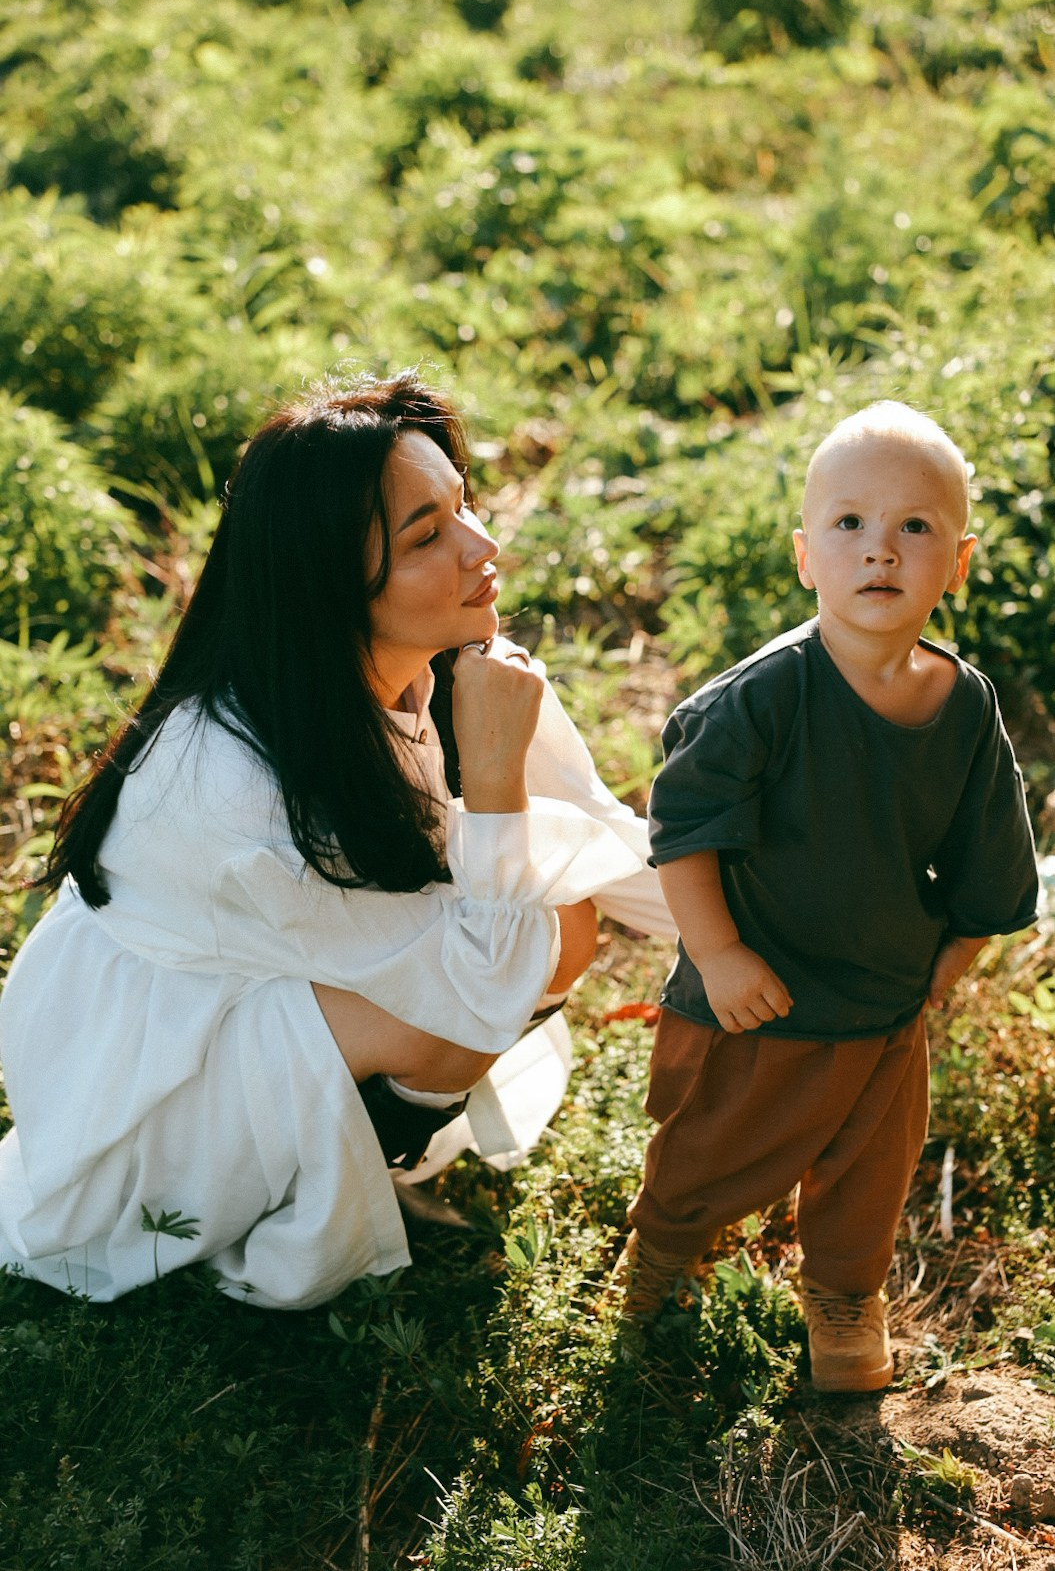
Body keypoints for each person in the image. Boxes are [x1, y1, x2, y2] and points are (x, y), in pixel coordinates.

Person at [0, 369, 675, 1309]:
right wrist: (493, 781)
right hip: (143, 1086)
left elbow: (606, 835)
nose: (483, 548)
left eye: (463, 507)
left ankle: (353, 1142)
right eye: (427, 536)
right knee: (505, 957)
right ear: (329, 580)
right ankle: (288, 1190)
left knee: (553, 910)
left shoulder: (441, 665)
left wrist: (761, 938)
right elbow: (481, 991)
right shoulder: (226, 784)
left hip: (250, 979)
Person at [618, 401, 1038, 1393]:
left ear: (957, 561)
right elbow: (680, 828)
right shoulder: (762, 697)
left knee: (868, 1170)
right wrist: (718, 954)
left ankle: (844, 1297)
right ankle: (660, 1270)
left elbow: (987, 846)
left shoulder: (963, 704)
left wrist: (956, 952)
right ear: (805, 555)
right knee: (711, 1150)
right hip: (761, 987)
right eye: (848, 524)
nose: (878, 550)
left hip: (885, 995)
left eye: (913, 527)